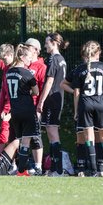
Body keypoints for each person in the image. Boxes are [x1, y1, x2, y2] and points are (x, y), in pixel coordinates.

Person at [71, 40, 103, 177]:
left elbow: (77, 92)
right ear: (99, 53)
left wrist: (76, 109)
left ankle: (94, 170)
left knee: (89, 138)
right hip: (101, 104)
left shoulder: (80, 69)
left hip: (86, 104)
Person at [6, 44, 40, 176]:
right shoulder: (27, 73)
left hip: (14, 111)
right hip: (27, 109)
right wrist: (27, 92)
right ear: (22, 56)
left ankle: (21, 169)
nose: (30, 61)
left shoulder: (9, 72)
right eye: (29, 58)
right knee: (26, 142)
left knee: (19, 140)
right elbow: (36, 92)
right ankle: (21, 171)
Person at [37, 33, 68, 177]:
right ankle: (54, 168)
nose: (45, 46)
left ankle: (58, 169)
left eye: (46, 43)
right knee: (52, 133)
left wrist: (41, 100)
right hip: (58, 99)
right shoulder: (62, 59)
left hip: (52, 100)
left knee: (52, 133)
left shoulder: (54, 59)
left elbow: (49, 81)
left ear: (54, 43)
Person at [24, 38, 47, 175]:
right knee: (23, 137)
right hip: (22, 107)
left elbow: (43, 88)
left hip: (34, 107)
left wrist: (39, 107)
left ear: (37, 51)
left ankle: (38, 166)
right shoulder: (23, 64)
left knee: (35, 136)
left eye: (29, 47)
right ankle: (25, 166)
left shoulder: (41, 67)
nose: (27, 49)